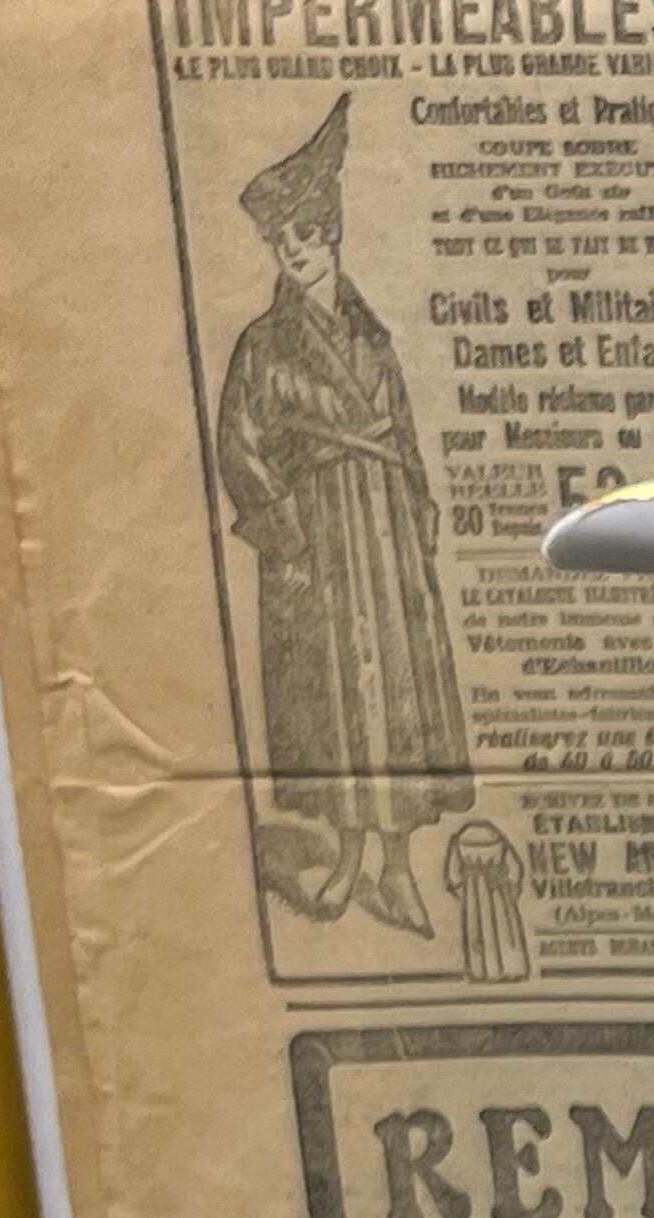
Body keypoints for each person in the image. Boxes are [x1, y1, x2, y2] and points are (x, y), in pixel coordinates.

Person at [214, 96, 473, 936]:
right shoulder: (262, 345)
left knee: (393, 696)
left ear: (332, 236)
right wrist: (284, 526)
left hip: (384, 534)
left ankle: (396, 867)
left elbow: (404, 436)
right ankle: (352, 858)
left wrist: (420, 513)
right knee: (335, 702)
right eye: (280, 241)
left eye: (307, 235)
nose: (295, 251)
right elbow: (238, 445)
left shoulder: (374, 341)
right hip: (320, 542)